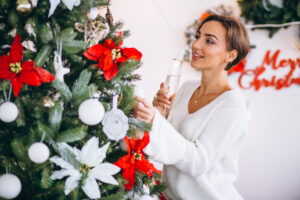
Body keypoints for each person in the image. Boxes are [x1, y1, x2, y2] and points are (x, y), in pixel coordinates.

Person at [133, 14, 251, 200]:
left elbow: (198, 162)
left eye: (209, 41)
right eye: (198, 36)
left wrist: (155, 122)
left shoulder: (233, 105)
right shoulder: (187, 88)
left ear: (231, 55)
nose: (196, 45)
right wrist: (159, 113)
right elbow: (167, 144)